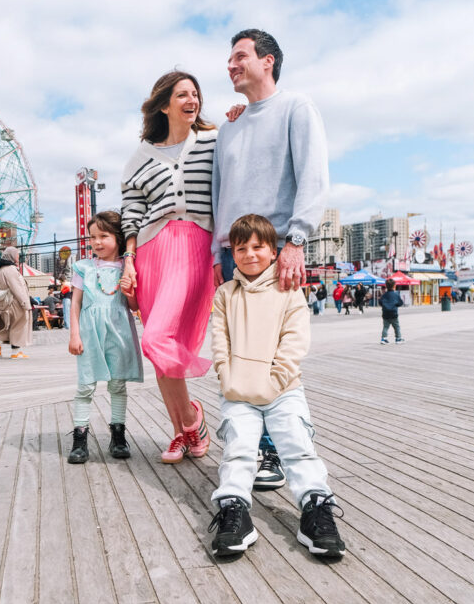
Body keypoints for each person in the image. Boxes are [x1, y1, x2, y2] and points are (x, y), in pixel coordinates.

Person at [212, 29, 328, 491]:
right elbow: (220, 193)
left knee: (277, 352)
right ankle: (246, 444)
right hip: (230, 253)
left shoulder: (297, 107)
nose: (231, 65)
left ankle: (277, 449)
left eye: (240, 56)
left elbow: (313, 175)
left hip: (276, 247)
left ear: (269, 61)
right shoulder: (230, 125)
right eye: (229, 58)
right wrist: (214, 253)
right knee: (238, 352)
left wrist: (296, 240)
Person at [208, 214, 345, 559]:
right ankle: (235, 510)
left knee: (297, 445)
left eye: (258, 246)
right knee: (238, 449)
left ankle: (315, 509)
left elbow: (294, 342)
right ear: (233, 252)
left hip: (283, 390)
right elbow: (219, 341)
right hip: (239, 392)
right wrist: (227, 376)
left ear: (274, 251)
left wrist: (274, 381)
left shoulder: (289, 291)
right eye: (241, 247)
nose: (249, 253)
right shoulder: (225, 294)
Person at [121, 70, 216, 463]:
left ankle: (192, 419)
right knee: (162, 350)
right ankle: (183, 433)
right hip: (151, 252)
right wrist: (128, 261)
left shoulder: (214, 142)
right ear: (164, 104)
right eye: (182, 95)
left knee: (158, 338)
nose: (191, 100)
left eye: (195, 94)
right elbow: (132, 210)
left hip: (197, 245)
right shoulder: (142, 154)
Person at [68, 211, 143, 463]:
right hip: (89, 333)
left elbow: (133, 306)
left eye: (104, 236)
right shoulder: (83, 267)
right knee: (86, 384)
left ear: (118, 238)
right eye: (93, 237)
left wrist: (130, 291)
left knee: (118, 384)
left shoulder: (128, 267)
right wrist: (74, 334)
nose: (97, 242)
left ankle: (118, 435)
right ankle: (80, 438)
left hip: (119, 331)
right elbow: (75, 303)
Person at [0, 246, 33, 358]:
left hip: (7, 301)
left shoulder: (0, 269)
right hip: (15, 302)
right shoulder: (10, 269)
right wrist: (25, 303)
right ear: (11, 256)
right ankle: (15, 352)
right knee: (19, 324)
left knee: (10, 325)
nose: (18, 257)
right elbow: (17, 288)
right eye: (16, 255)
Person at [379, 278, 404, 343]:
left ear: (386, 286)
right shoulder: (396, 294)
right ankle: (398, 338)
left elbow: (380, 302)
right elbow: (400, 303)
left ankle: (383, 338)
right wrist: (396, 305)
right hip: (393, 313)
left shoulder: (384, 295)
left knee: (385, 327)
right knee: (396, 326)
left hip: (385, 313)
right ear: (394, 286)